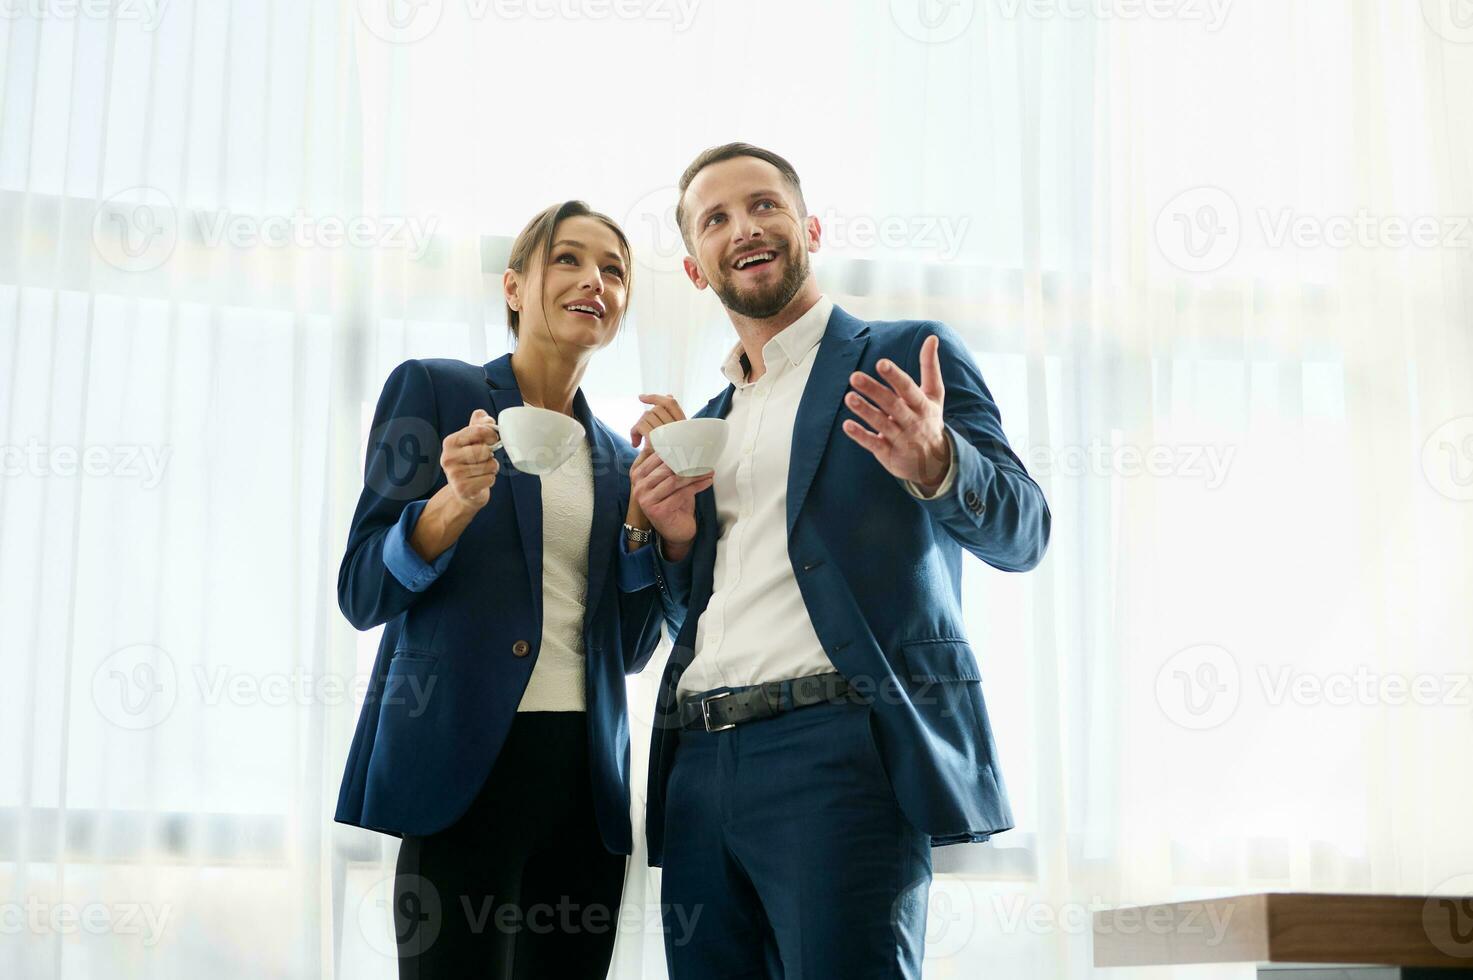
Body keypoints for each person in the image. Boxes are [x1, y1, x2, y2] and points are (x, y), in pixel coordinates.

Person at [630, 144, 1052, 977]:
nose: (744, 227)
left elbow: (1024, 530)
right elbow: (698, 614)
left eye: (764, 205)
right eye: (716, 219)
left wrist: (939, 463)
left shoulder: (900, 358)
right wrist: (676, 536)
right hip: (699, 768)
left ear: (808, 227)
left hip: (836, 756)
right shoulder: (711, 419)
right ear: (693, 267)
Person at [334, 200, 696, 978]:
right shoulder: (435, 391)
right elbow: (362, 591)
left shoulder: (615, 457)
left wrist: (643, 525)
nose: (593, 280)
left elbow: (630, 652)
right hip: (458, 771)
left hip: (582, 785)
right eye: (567, 259)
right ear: (512, 287)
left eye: (613, 270)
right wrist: (447, 506)